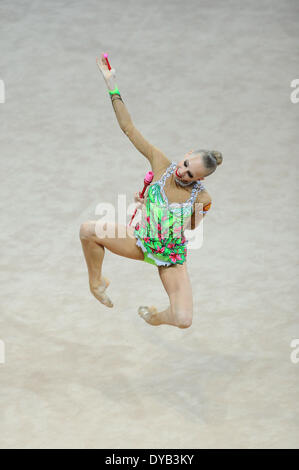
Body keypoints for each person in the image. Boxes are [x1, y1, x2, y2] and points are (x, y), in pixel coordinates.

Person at [79, 53, 223, 329]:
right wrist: (112, 85)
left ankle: (153, 317)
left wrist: (193, 214)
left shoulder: (202, 198)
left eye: (190, 175)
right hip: (139, 240)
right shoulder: (160, 162)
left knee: (183, 319)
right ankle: (96, 281)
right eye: (184, 164)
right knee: (87, 230)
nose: (182, 172)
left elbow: (191, 229)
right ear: (187, 154)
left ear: (200, 179)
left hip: (169, 256)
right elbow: (128, 128)